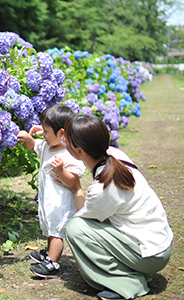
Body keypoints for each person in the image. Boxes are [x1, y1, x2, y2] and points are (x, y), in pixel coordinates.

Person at [56, 114, 173, 300]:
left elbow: (83, 220)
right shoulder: (114, 155)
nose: (63, 141)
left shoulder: (103, 187)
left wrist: (76, 188)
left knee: (75, 228)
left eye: (66, 139)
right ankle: (134, 270)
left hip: (151, 255)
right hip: (158, 242)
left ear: (79, 152)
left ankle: (127, 282)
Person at [17, 104, 86, 278]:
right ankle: (49, 254)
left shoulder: (70, 154)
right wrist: (28, 139)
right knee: (50, 229)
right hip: (48, 201)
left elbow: (73, 181)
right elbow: (33, 146)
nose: (43, 134)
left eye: (46, 131)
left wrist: (61, 170)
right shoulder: (47, 146)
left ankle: (53, 263)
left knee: (57, 232)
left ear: (62, 134)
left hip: (61, 204)